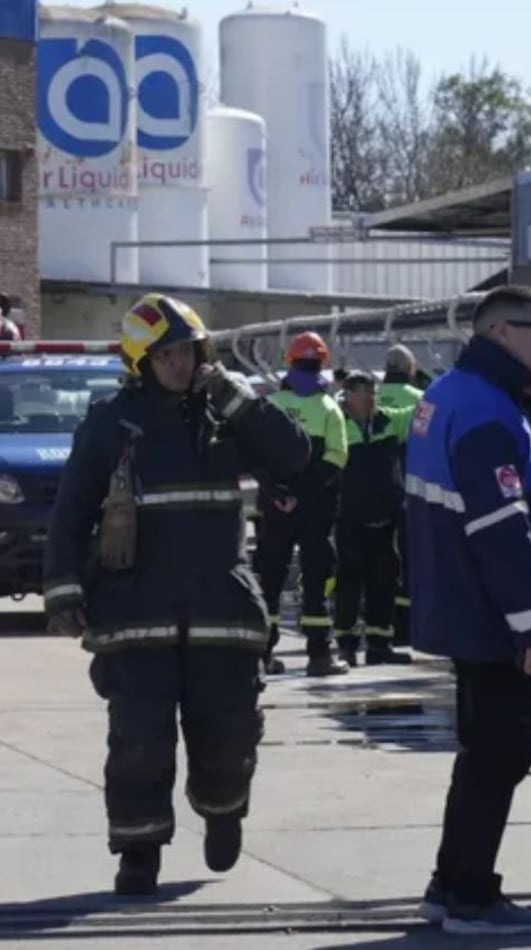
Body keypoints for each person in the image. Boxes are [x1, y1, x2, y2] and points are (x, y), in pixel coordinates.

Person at [43, 293, 312, 897]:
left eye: (188, 352)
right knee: (139, 741)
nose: (179, 365)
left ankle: (223, 811)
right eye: (165, 355)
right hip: (135, 611)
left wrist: (235, 398)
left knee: (229, 732)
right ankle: (139, 852)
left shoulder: (228, 416)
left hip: (221, 606)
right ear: (142, 361)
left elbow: (293, 456)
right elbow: (70, 512)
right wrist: (63, 591)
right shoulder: (111, 421)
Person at [406, 285, 531, 935]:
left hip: (464, 607)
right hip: (494, 615)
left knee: (483, 751)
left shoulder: (449, 394)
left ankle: (451, 885)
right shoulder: (486, 412)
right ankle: (471, 894)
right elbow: (503, 529)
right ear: (502, 333)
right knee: (499, 753)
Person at [253, 331, 350, 677]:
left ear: (290, 362)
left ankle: (262, 654)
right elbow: (336, 459)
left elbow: (258, 458)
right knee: (315, 580)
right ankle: (320, 656)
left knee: (270, 579)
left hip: (276, 507)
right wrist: (303, 496)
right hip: (315, 510)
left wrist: (280, 493)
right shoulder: (329, 409)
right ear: (322, 363)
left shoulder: (272, 405)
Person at [332, 371, 413, 666]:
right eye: (365, 393)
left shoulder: (389, 421)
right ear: (349, 394)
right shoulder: (337, 423)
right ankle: (346, 645)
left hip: (386, 518)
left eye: (374, 393)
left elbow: (422, 411)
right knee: (349, 582)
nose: (371, 399)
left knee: (385, 581)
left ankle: (380, 645)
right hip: (351, 518)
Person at [378, 345, 425, 647]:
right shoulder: (419, 400)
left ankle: (376, 623)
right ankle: (404, 628)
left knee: (377, 559)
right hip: (407, 489)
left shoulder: (370, 396)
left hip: (368, 492)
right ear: (410, 368)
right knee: (409, 557)